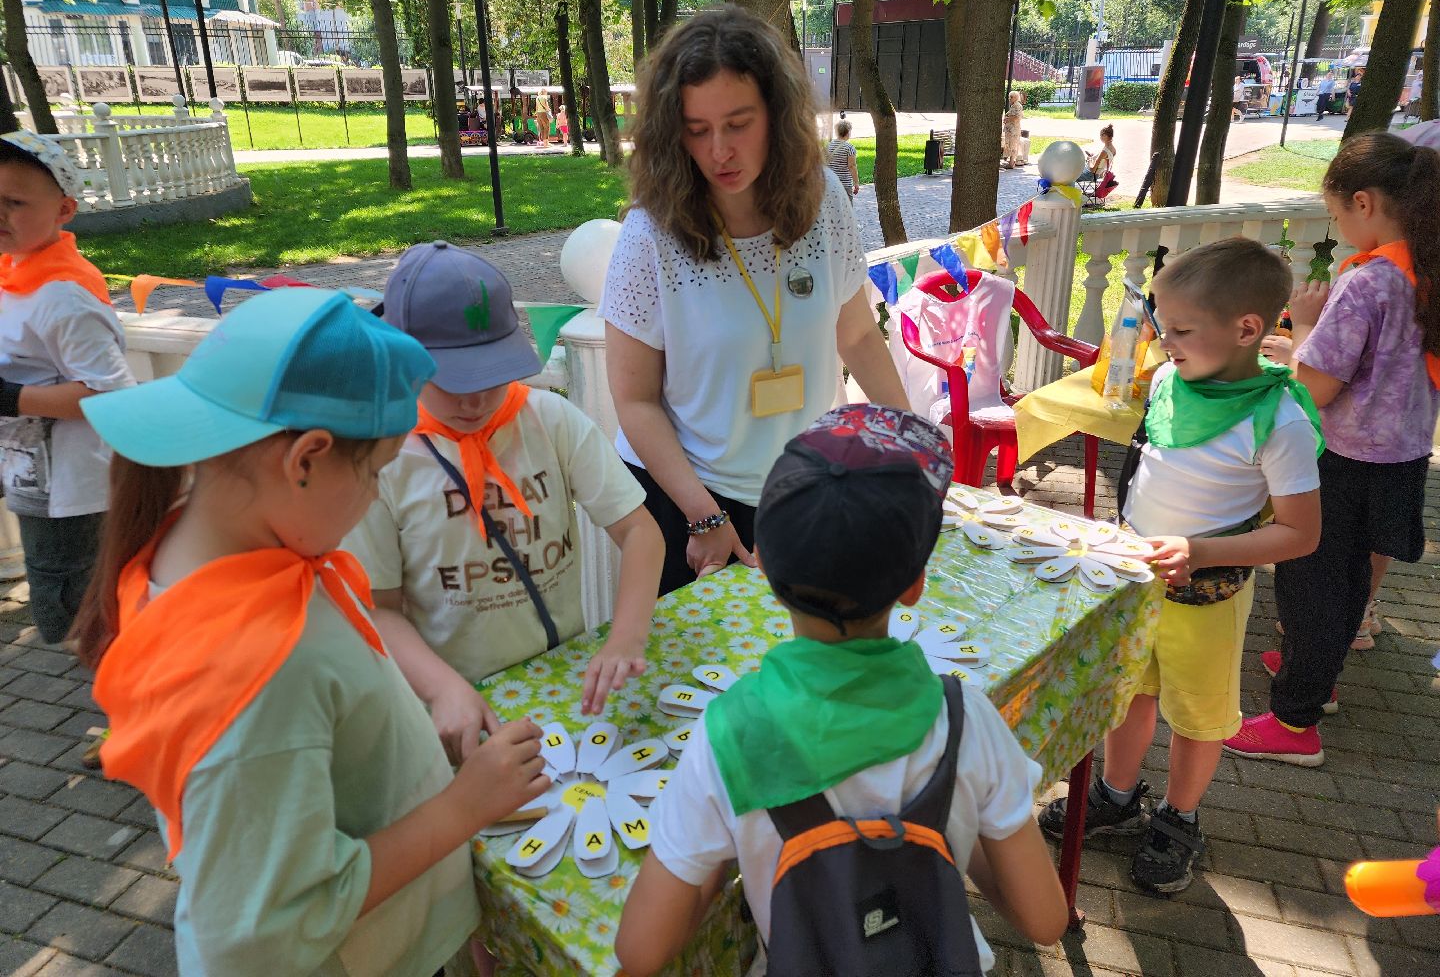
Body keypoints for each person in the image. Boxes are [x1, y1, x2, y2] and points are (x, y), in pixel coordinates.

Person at [72, 289, 550, 974]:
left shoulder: (210, 546)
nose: (376, 494)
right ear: (305, 459)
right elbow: (268, 926)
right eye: (379, 471)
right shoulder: (258, 671)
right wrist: (464, 807)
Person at [615, 404, 1067, 976]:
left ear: (767, 573)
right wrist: (958, 826)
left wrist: (705, 872)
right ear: (914, 585)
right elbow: (1045, 920)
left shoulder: (730, 734)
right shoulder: (965, 719)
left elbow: (640, 950)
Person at [1040, 238, 1322, 893]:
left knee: (1197, 717)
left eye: (1182, 330)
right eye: (1163, 326)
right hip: (1139, 583)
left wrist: (1202, 552)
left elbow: (1300, 534)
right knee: (1130, 692)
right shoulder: (1171, 377)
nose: (1166, 341)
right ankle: (1115, 793)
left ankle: (1179, 817)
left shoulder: (1278, 420)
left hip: (1208, 598)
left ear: (1246, 328)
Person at [599, 5, 908, 597]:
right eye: (697, 129)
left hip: (808, 490)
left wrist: (912, 439)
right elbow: (633, 400)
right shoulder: (650, 236)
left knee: (810, 673)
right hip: (689, 500)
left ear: (776, 113)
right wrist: (705, 516)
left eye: (738, 123)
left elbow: (858, 335)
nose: (720, 151)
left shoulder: (824, 205)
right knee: (701, 685)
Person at [345, 242, 664, 755]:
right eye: (451, 379)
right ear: (401, 358)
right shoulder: (383, 461)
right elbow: (378, 609)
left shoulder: (551, 421)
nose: (473, 399)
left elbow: (640, 530)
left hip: (562, 681)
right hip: (458, 708)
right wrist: (444, 689)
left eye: (490, 375)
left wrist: (626, 635)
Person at [1226, 133, 1440, 766]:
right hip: (1402, 454)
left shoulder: (1369, 283)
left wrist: (1303, 322)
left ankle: (1295, 723)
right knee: (1348, 583)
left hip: (1345, 457)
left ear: (1365, 202)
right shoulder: (1424, 271)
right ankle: (1312, 673)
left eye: (1338, 212)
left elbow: (1317, 386)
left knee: (1312, 580)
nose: (1338, 226)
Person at [0, 132, 134, 644]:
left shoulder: (63, 296)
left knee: (76, 605)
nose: (0, 213)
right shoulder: (17, 272)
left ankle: (121, 700)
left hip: (71, 490)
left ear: (63, 210)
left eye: (14, 202)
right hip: (33, 470)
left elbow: (111, 395)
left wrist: (10, 398)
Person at [824, 116, 859, 199]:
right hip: (844, 184)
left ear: (837, 132)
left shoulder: (828, 146)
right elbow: (852, 166)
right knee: (847, 209)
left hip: (830, 183)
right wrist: (856, 182)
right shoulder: (849, 148)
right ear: (848, 132)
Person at [1002, 90, 1025, 168]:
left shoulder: (1017, 105)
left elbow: (1017, 117)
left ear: (1016, 97)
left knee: (1013, 145)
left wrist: (1007, 119)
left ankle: (1011, 163)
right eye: (1009, 97)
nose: (1009, 98)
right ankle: (1011, 162)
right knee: (1010, 145)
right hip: (1011, 129)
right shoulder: (1014, 105)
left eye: (1011, 97)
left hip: (1013, 130)